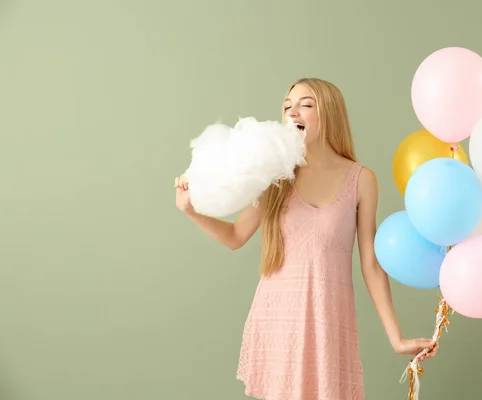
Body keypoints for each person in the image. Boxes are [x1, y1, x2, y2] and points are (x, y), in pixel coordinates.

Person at [174, 77, 438, 400]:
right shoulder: (275, 175)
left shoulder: (361, 180)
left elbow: (370, 263)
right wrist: (191, 211)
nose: (292, 113)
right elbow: (235, 236)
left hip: (329, 322)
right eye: (287, 106)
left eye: (305, 105)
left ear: (329, 114)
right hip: (278, 320)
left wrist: (396, 337)